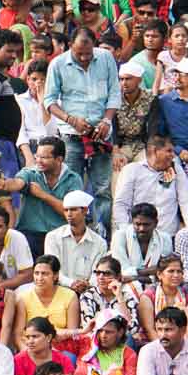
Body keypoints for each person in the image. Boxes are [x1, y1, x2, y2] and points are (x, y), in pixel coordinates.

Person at [43, 27, 120, 229]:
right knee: (72, 190)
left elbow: (114, 94)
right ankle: (73, 232)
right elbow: (49, 102)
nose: (85, 58)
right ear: (70, 46)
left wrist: (107, 121)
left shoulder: (105, 58)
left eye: (88, 53)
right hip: (72, 136)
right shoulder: (58, 64)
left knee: (103, 189)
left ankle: (102, 232)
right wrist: (71, 119)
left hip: (101, 134)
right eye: (79, 54)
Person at [113, 135, 188, 237]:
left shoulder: (176, 169)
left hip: (168, 237)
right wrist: (127, 234)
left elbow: (186, 202)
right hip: (138, 236)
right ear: (154, 151)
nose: (173, 155)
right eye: (169, 151)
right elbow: (121, 205)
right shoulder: (131, 170)